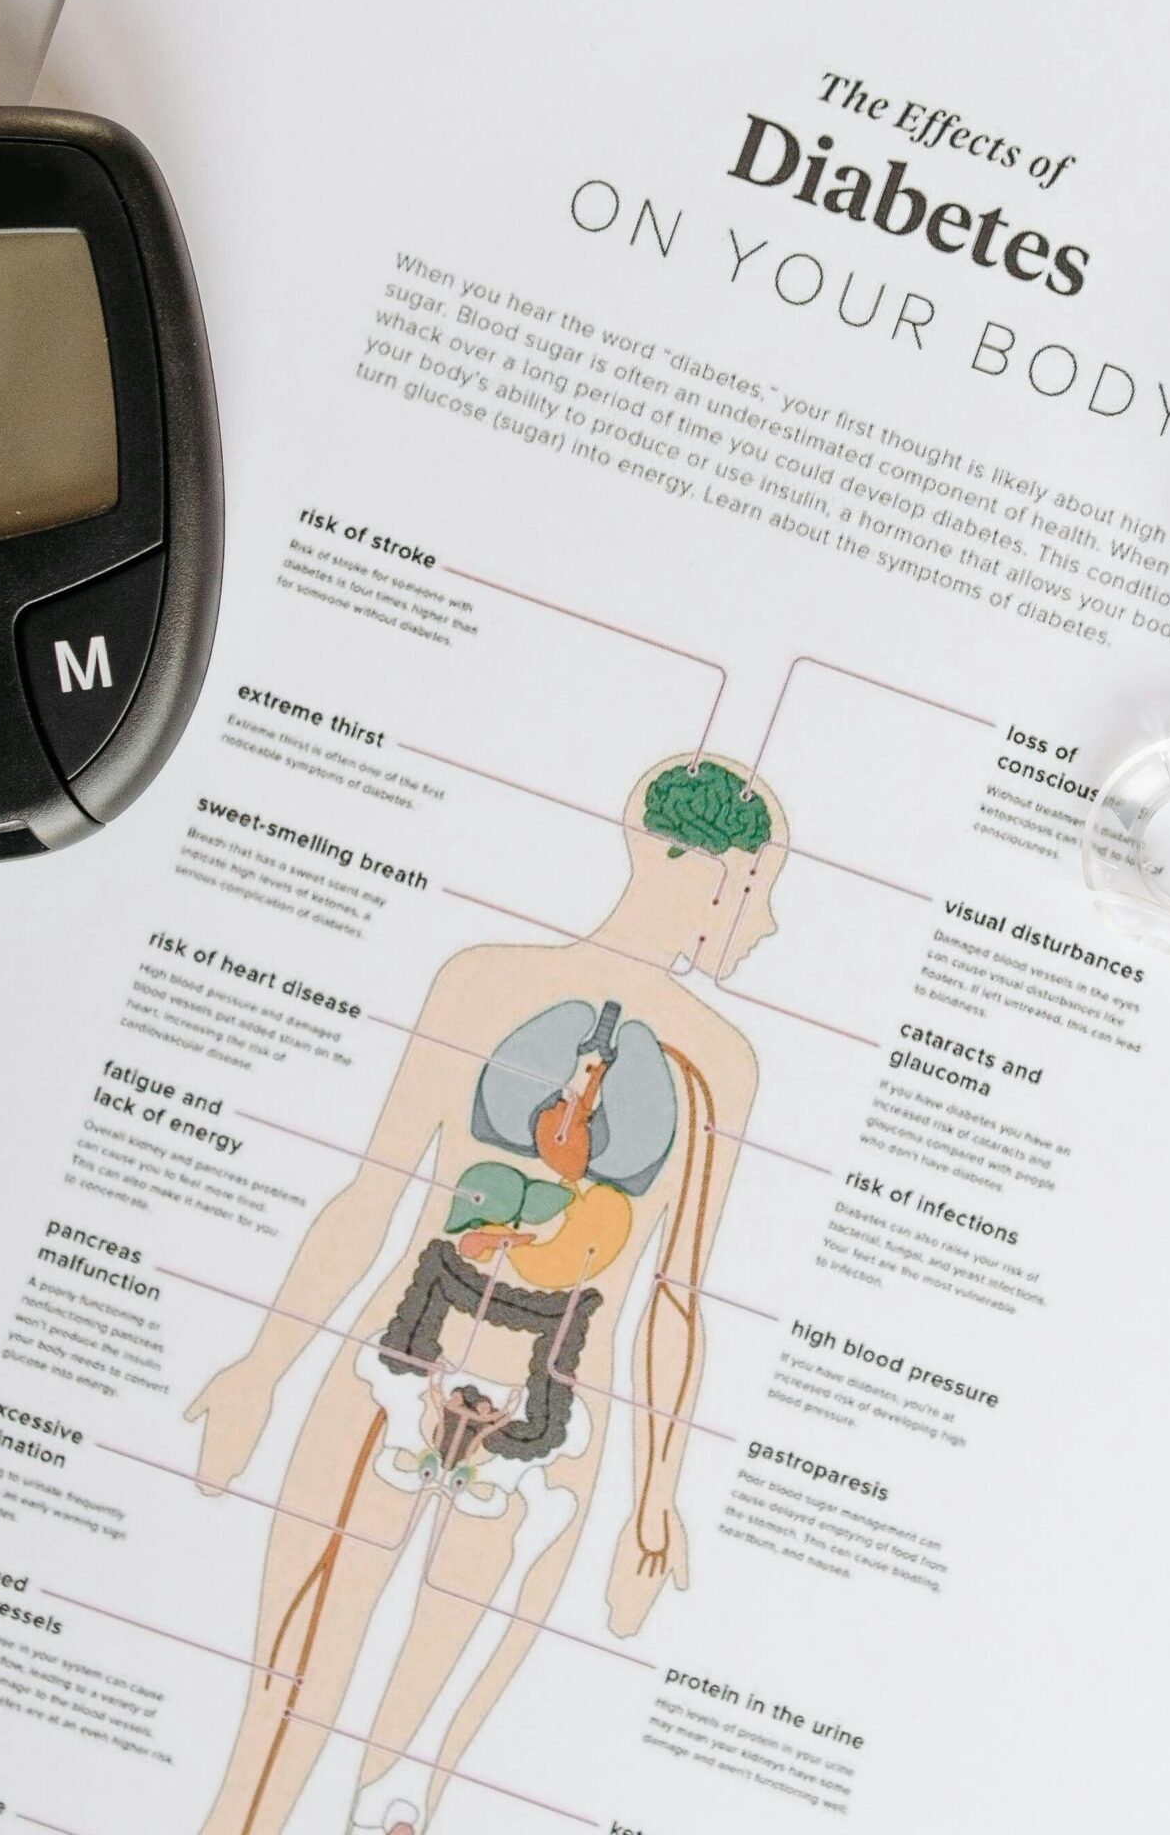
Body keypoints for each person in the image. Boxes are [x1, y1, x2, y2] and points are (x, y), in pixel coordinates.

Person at [184, 753, 779, 1833]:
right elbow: (373, 1195)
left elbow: (676, 1297)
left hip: (555, 1416)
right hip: (396, 1355)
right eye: (757, 884)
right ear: (687, 861)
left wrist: (656, 1495)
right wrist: (258, 1368)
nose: (766, 920)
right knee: (283, 1686)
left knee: (412, 1759)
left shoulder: (716, 1063)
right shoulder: (481, 981)